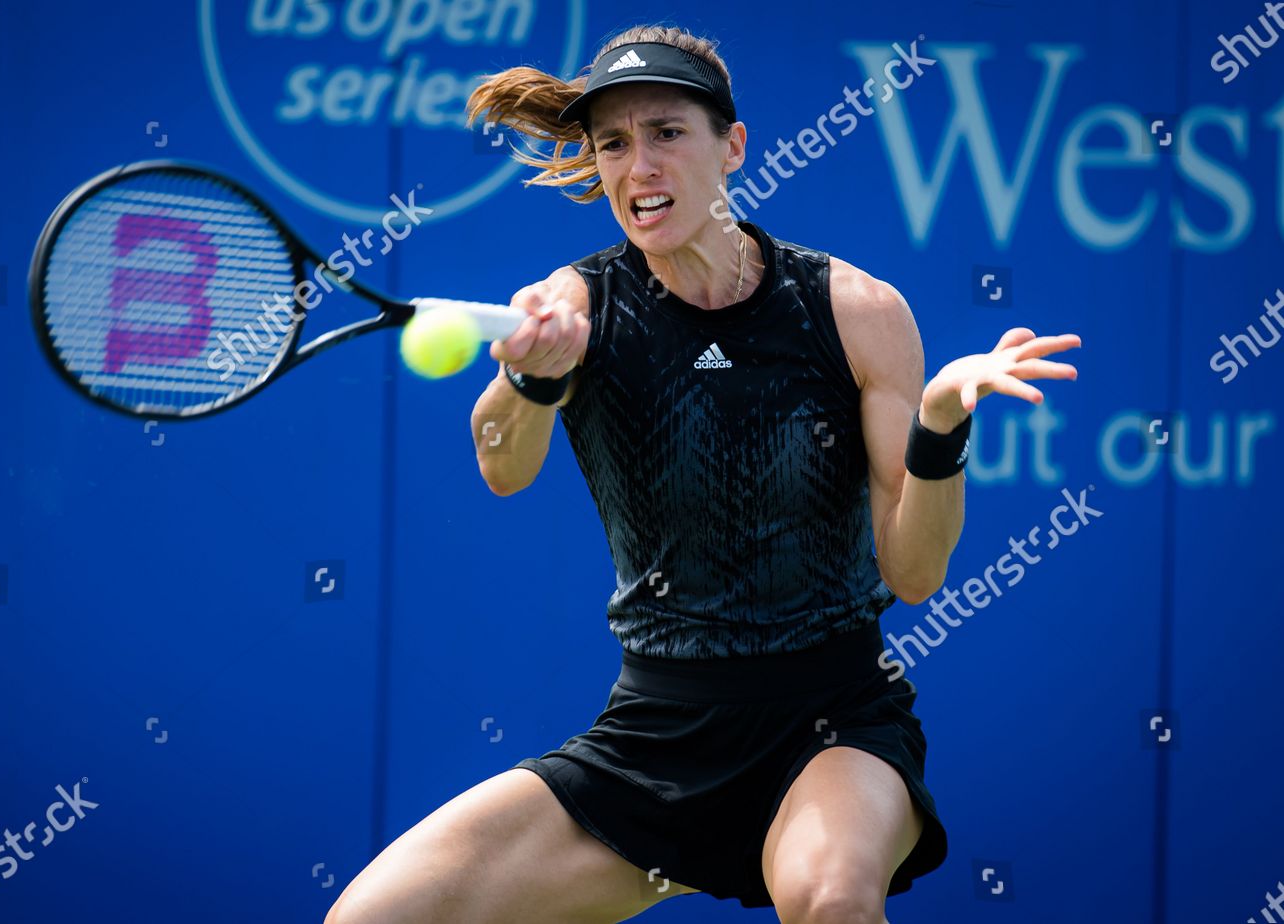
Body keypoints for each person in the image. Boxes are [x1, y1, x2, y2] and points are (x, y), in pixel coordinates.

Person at [326, 24, 1079, 924]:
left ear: (732, 147)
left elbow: (915, 575)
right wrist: (531, 378)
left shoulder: (857, 313)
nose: (637, 165)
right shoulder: (576, 304)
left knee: (832, 902)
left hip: (832, 725)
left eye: (666, 132)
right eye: (612, 143)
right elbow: (502, 463)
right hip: (654, 737)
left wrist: (940, 425)